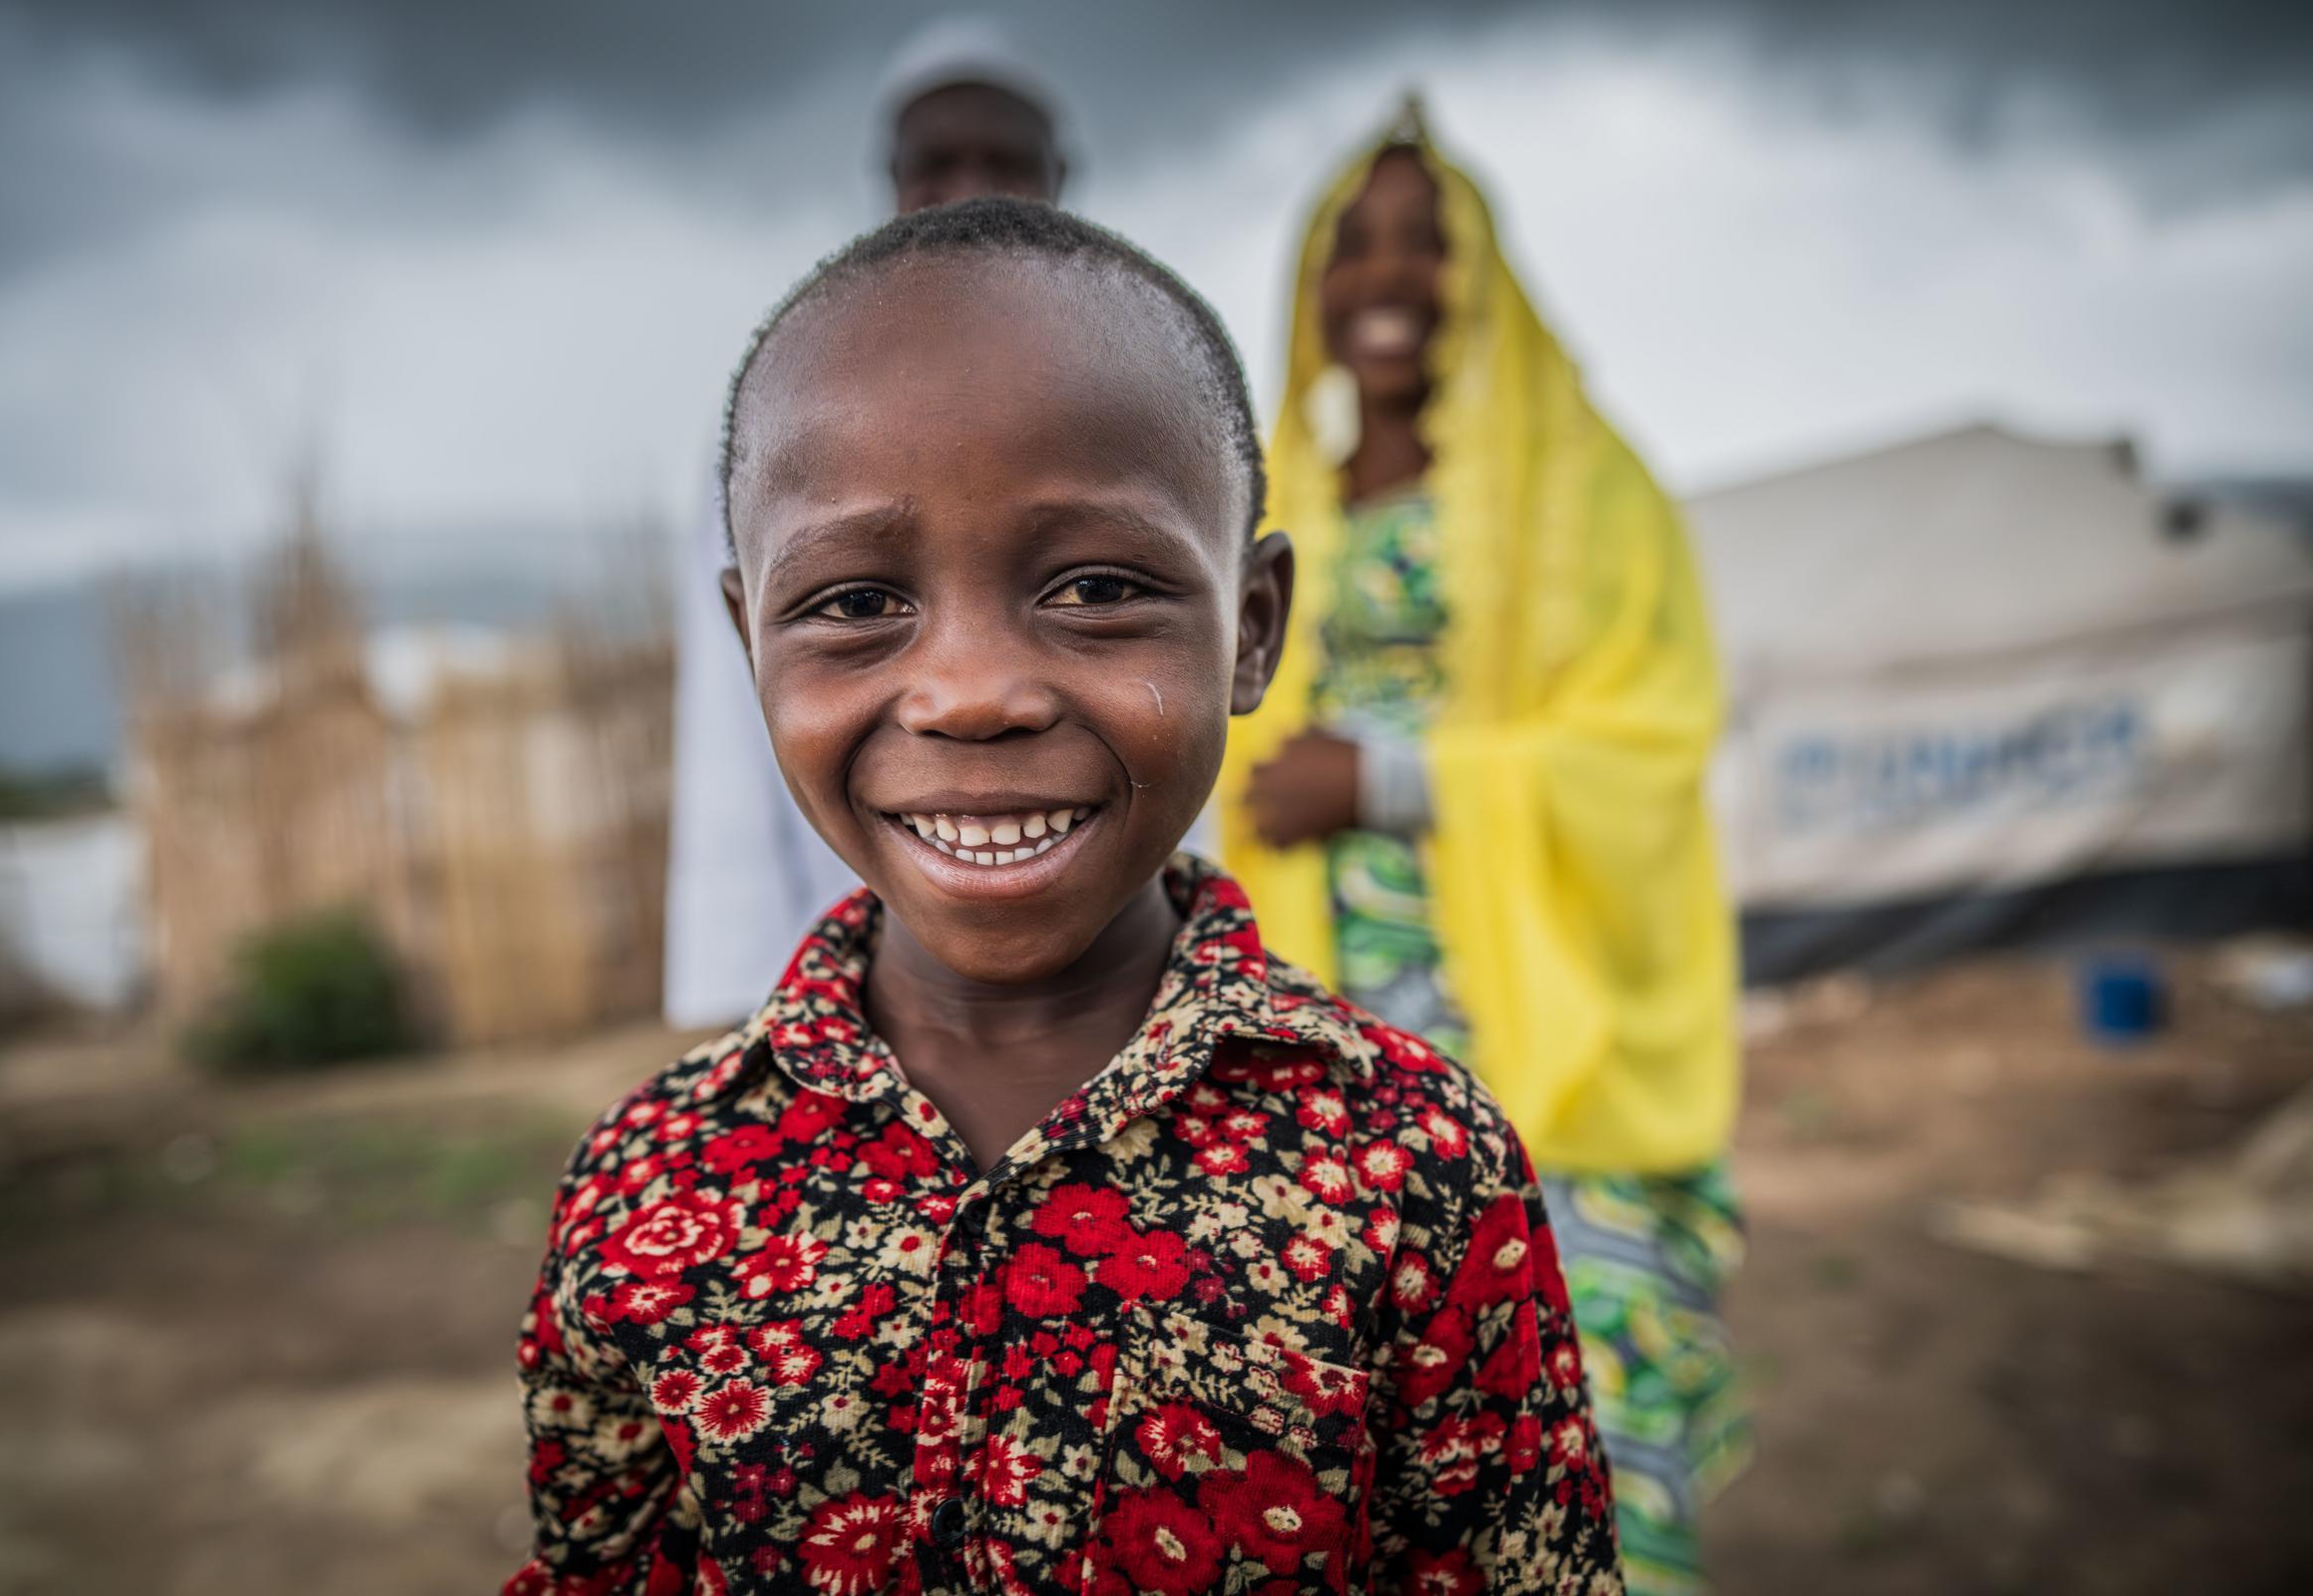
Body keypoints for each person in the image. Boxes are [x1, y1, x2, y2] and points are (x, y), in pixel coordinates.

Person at [507, 199, 1622, 1596]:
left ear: (1252, 628)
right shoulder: (647, 1188)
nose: (973, 693)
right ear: (749, 641)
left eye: (1096, 586)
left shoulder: (1418, 1174)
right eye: (855, 602)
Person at [1219, 107, 1748, 1596]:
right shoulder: (1261, 510)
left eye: (1427, 243)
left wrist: (1385, 777)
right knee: (1373, 1475)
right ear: (1311, 283)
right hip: (1331, 1055)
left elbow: (1647, 743)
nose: (1390, 275)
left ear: (1487, 277)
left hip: (1549, 1043)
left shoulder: (1593, 492)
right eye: (1353, 243)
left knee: (1590, 1445)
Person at [665, 20, 1071, 1030]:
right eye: (936, 164)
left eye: (1004, 161)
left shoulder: (1141, 411)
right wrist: (742, 997)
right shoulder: (790, 415)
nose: (969, 190)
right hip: (851, 973)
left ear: (1061, 176)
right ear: (890, 182)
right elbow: (728, 723)